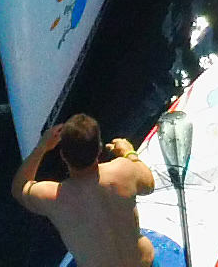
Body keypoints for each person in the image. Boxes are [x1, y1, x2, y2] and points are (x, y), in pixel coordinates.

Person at [11, 112, 166, 267]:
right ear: (99, 148)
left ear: (63, 155)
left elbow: (19, 188)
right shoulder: (124, 170)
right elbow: (149, 184)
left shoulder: (51, 196)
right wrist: (129, 153)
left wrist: (42, 147)